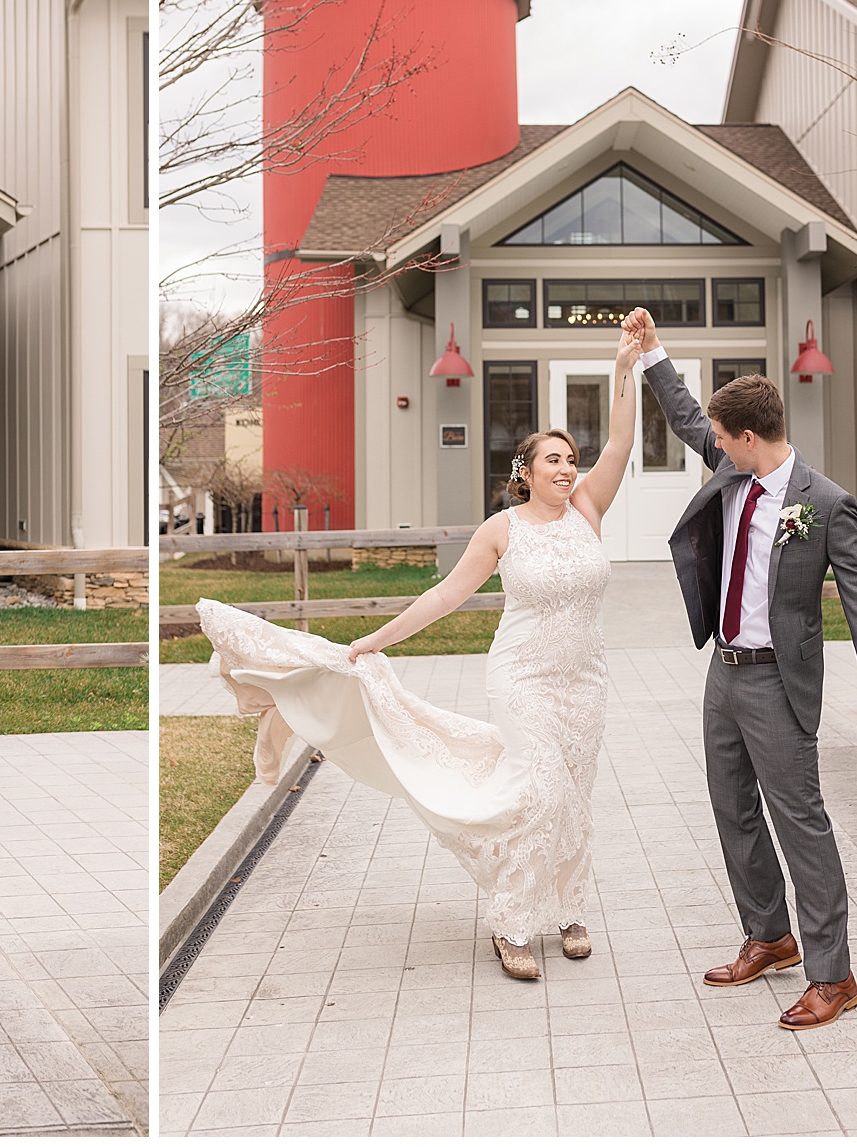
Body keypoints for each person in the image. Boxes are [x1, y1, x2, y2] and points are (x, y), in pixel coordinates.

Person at [197, 329, 641, 981]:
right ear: (525, 473)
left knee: (577, 790)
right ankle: (513, 923)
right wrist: (375, 639)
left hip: (586, 681)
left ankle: (570, 908)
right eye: (552, 460)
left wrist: (626, 365)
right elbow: (444, 597)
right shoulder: (503, 530)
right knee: (541, 790)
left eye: (572, 458)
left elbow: (624, 441)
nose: (568, 468)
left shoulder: (589, 509)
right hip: (522, 679)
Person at [624, 306, 857, 1031]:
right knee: (732, 809)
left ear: (749, 438)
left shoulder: (825, 503)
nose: (710, 443)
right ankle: (770, 935)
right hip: (724, 671)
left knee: (799, 821)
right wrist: (653, 353)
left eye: (721, 437)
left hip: (780, 682)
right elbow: (687, 414)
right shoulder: (731, 469)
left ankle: (832, 976)